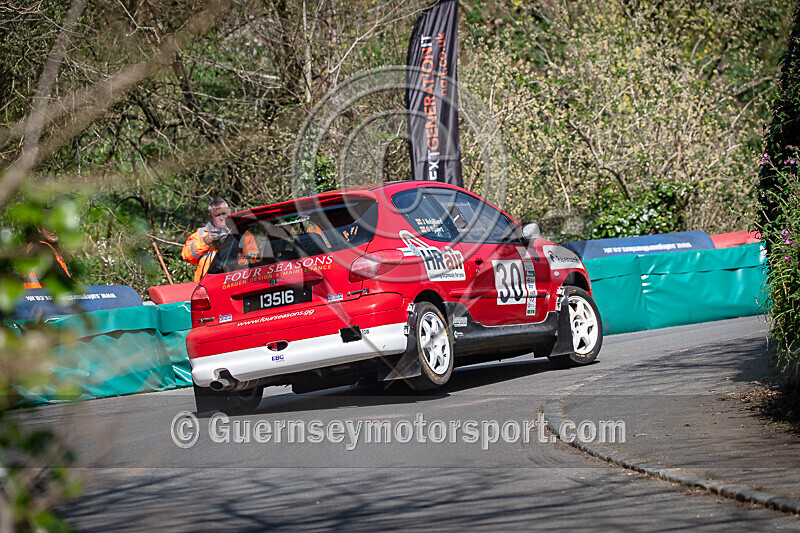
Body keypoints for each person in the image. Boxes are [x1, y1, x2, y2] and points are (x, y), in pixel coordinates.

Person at [182, 198, 232, 282]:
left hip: (232, 282)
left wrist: (230, 241)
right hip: (207, 286)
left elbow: (252, 257)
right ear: (210, 216)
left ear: (229, 212)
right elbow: (187, 256)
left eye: (224, 214)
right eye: (217, 215)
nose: (222, 218)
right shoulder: (201, 234)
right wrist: (206, 240)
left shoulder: (239, 231)